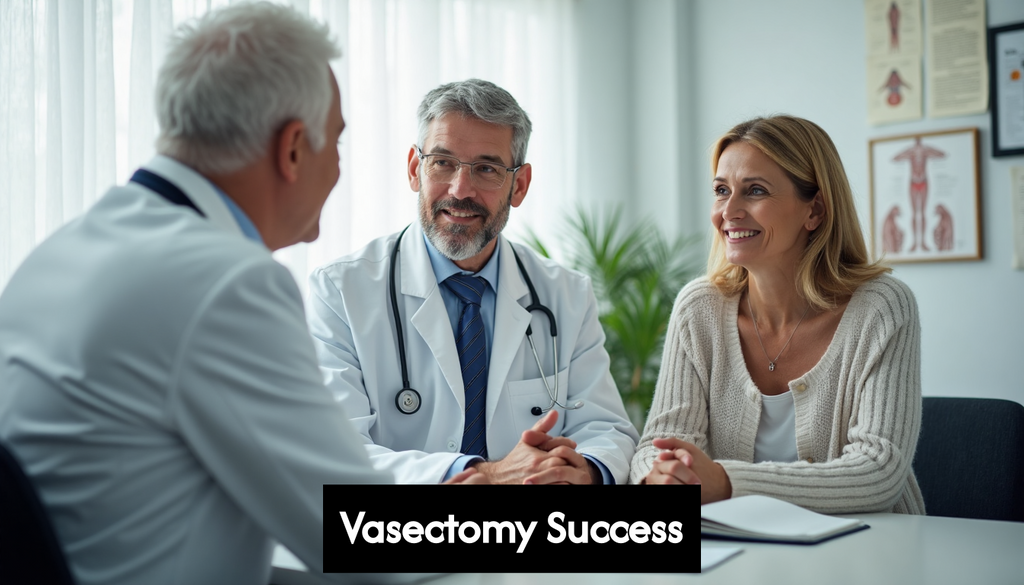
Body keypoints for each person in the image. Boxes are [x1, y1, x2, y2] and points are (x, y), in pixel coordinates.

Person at [0, 4, 481, 585]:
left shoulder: (68, 248)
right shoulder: (223, 284)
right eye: (338, 144)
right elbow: (358, 538)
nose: (337, 169)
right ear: (294, 149)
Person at [307, 79, 639, 485]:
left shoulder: (565, 295)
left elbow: (605, 428)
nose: (460, 190)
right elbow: (337, 450)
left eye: (486, 169)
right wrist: (484, 475)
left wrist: (582, 471)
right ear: (415, 169)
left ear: (519, 185)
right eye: (442, 163)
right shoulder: (341, 291)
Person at [630, 115, 925, 515]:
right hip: (742, 551)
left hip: (870, 550)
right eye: (721, 191)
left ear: (815, 211)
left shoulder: (881, 307)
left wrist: (727, 483)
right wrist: (662, 476)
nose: (728, 212)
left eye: (754, 191)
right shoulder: (699, 308)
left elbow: (877, 472)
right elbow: (657, 445)